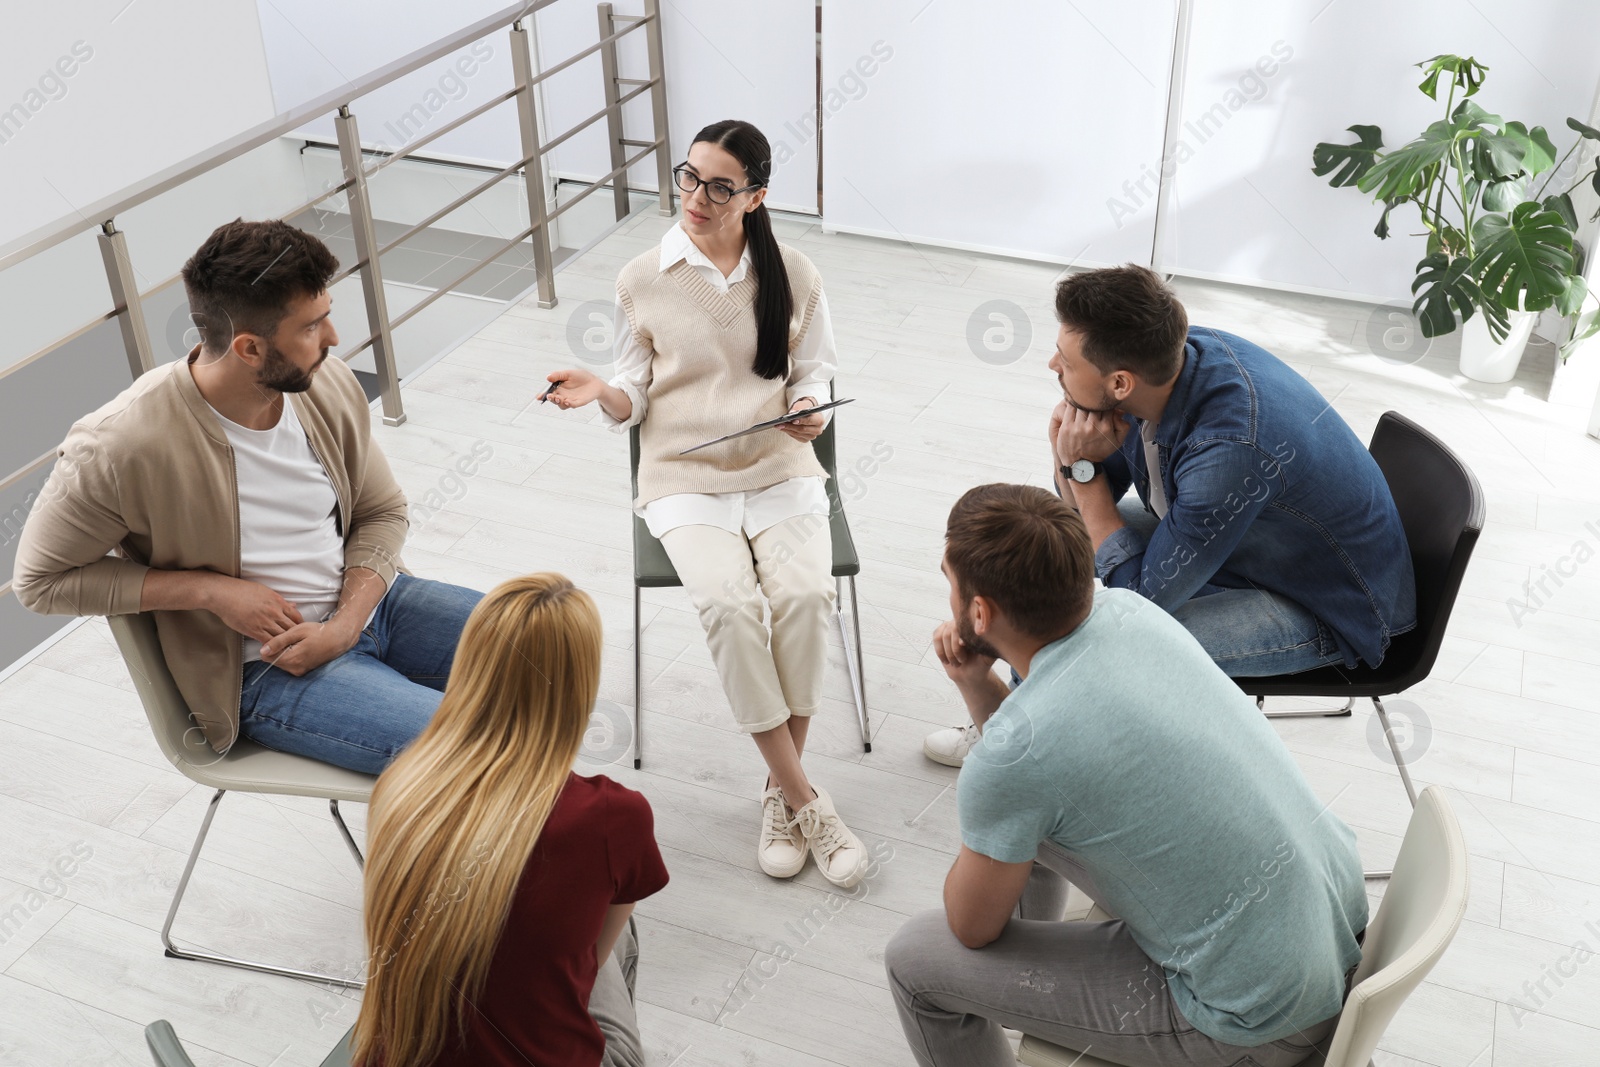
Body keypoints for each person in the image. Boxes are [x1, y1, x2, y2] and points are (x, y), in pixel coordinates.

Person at [886, 484, 1368, 1067]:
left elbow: (970, 928)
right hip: (1335, 940)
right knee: (1031, 821)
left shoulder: (1017, 756)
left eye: (950, 580)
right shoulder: (1129, 610)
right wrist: (974, 681)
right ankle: (1024, 993)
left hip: (1252, 1023)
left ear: (980, 613)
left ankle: (1017, 996)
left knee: (915, 957)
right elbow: (1029, 770)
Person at [11, 218, 482, 774]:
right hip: (264, 669)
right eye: (313, 326)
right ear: (250, 347)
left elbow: (381, 511)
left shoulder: (323, 385)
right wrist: (213, 593)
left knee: (555, 647)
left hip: (372, 607)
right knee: (474, 755)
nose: (333, 339)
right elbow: (41, 584)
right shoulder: (116, 447)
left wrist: (344, 624)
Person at [544, 119, 867, 888]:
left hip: (779, 466)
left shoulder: (794, 271)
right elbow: (633, 394)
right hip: (683, 478)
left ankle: (778, 791)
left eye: (720, 186)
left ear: (755, 196)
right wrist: (602, 392)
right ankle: (804, 799)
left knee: (805, 595)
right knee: (728, 606)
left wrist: (811, 408)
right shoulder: (641, 277)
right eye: (688, 177)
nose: (696, 196)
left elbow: (813, 372)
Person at [923, 263, 1415, 767]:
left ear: (1118, 382)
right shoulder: (1166, 361)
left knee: (1086, 644)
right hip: (1243, 545)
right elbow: (1076, 514)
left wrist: (1082, 471)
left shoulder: (1229, 450)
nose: (1052, 364)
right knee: (1043, 551)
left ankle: (1031, 758)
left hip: (1320, 602)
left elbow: (1139, 604)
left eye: (1066, 361)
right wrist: (1069, 456)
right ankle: (1011, 721)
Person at [350, 573, 668, 1067]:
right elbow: (592, 963)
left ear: (470, 665)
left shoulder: (400, 785)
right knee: (618, 916)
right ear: (580, 685)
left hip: (397, 1053)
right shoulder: (613, 816)